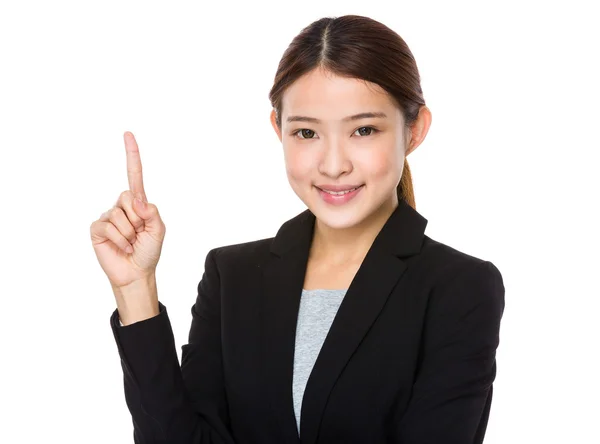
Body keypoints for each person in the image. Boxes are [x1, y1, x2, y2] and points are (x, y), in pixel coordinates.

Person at [90, 14, 505, 444]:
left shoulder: (460, 288)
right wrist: (135, 289)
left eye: (364, 130)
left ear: (414, 130)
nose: (332, 164)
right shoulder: (231, 276)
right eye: (307, 132)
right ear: (278, 130)